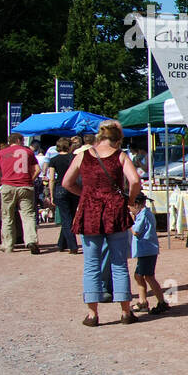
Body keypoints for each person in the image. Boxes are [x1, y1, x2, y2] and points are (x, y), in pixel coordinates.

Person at [61, 119, 142, 326]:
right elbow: (134, 181)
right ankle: (125, 312)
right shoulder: (120, 156)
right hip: (115, 210)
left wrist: (85, 194)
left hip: (90, 211)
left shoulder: (82, 156)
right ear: (118, 138)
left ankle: (92, 314)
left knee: (91, 264)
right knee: (119, 263)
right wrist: (130, 201)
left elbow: (66, 183)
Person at [0, 132, 41, 253]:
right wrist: (30, 179)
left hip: (8, 186)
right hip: (25, 185)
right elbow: (37, 169)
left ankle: (8, 245)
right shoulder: (28, 152)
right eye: (22, 140)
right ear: (18, 140)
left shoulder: (1, 153)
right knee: (28, 215)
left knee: (7, 216)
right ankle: (31, 241)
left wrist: (1, 182)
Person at [128, 192, 168, 313]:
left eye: (130, 207)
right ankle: (143, 301)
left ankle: (161, 302)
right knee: (139, 275)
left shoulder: (144, 214)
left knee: (149, 276)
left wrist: (128, 220)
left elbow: (136, 231)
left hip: (147, 250)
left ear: (136, 205)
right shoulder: (143, 213)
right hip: (145, 250)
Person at [48, 137, 79, 253]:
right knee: (69, 217)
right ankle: (61, 243)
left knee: (66, 218)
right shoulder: (74, 158)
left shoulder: (54, 160)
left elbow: (51, 179)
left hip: (60, 188)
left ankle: (72, 245)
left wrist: (51, 194)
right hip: (73, 187)